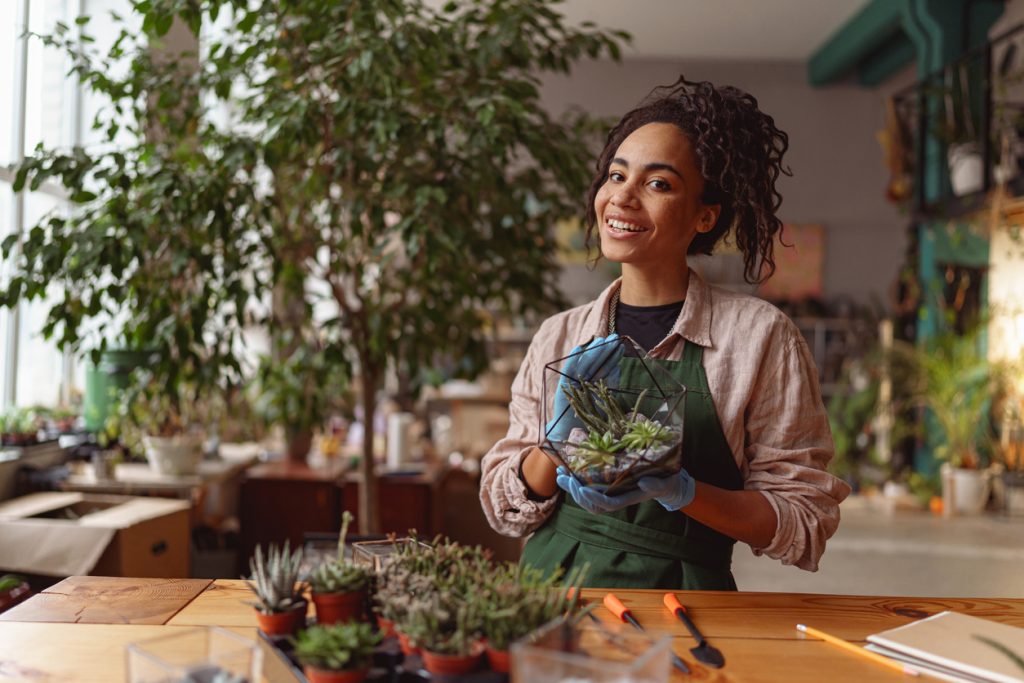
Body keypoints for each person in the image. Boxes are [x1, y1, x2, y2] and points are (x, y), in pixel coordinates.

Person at [478, 76, 851, 590]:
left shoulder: (759, 337)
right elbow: (505, 511)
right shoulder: (559, 336)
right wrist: (553, 445)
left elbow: (803, 521)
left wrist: (681, 490)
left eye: (658, 184)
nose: (623, 198)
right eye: (616, 175)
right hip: (552, 592)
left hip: (684, 599)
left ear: (705, 216)